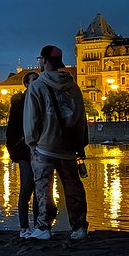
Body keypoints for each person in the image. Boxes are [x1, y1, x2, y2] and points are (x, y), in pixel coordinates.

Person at [23, 44, 89, 240]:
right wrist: (80, 144)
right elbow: (81, 117)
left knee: (43, 187)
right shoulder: (73, 86)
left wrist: (32, 142)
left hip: (45, 146)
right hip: (68, 147)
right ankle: (79, 227)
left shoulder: (37, 86)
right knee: (73, 186)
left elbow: (32, 119)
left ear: (43, 61)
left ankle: (44, 227)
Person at [6, 70, 45, 238]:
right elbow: (11, 131)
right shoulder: (19, 103)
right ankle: (24, 228)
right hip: (23, 151)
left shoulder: (43, 100)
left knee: (39, 189)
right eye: (33, 81)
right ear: (27, 84)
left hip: (41, 150)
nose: (36, 83)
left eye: (38, 80)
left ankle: (38, 226)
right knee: (27, 187)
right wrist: (14, 152)